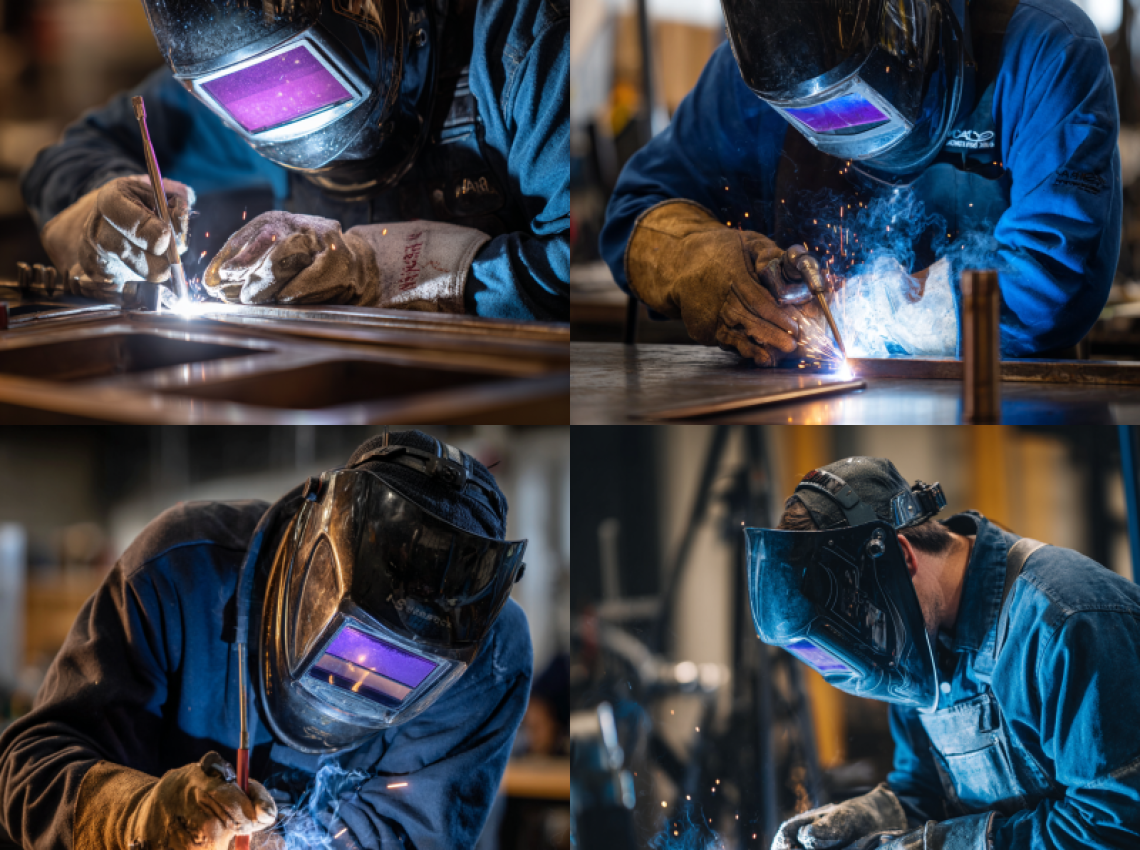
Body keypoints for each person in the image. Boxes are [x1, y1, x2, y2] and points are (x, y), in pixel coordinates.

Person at [0, 430, 533, 850]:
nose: (359, 678)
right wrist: (134, 816)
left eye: (396, 673)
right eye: (353, 649)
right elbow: (30, 765)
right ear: (309, 569)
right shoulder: (182, 571)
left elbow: (408, 834)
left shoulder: (491, 662)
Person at [599, 0, 1120, 362]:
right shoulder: (749, 79)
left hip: (1002, 393)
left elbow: (1048, 277)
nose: (843, 131)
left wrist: (854, 315)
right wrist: (697, 259)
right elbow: (637, 212)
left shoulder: (1045, 51)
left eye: (855, 100)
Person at [23, 0, 568, 321]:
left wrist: (402, 272)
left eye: (306, 75)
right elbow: (72, 155)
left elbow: (580, 274)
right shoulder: (232, 68)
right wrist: (108, 205)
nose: (285, 104)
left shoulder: (521, 45)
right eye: (251, 94)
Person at [745, 457, 1140, 850]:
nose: (871, 653)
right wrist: (870, 818)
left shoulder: (1066, 620)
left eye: (863, 624)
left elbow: (1112, 826)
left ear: (901, 559)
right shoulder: (913, 640)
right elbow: (926, 790)